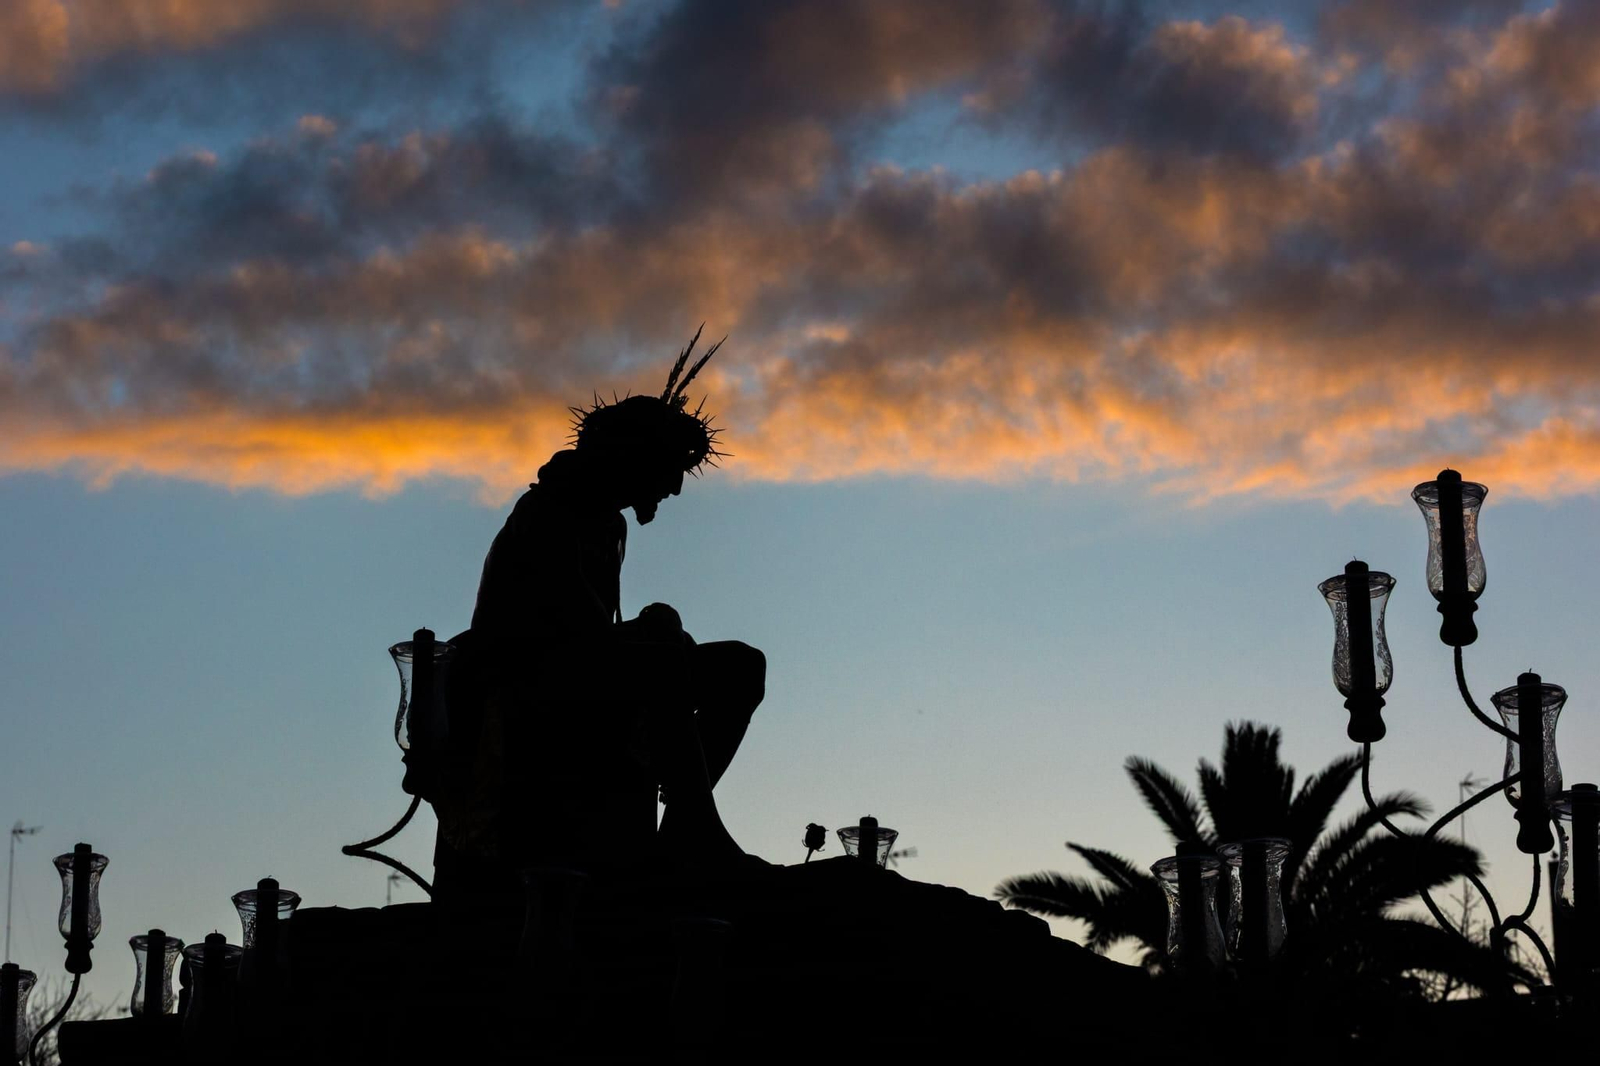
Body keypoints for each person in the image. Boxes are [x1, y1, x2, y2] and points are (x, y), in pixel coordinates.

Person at [433, 330, 766, 893]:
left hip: (578, 672)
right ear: (634, 461)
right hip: (521, 686)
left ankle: (682, 827)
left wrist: (656, 632)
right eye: (668, 474)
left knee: (740, 665)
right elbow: (567, 638)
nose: (674, 492)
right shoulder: (548, 514)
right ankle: (698, 831)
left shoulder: (606, 523)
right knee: (663, 661)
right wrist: (655, 634)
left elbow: (597, 636)